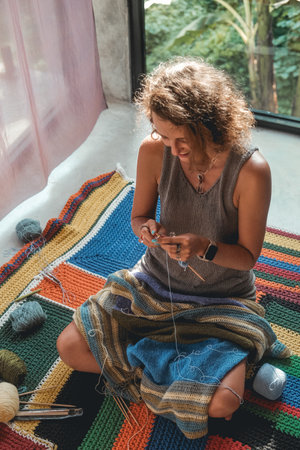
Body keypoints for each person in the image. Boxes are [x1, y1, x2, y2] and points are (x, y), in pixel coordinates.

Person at [57, 58, 289, 439]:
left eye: (183, 139)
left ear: (212, 126)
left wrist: (205, 248)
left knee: (225, 402)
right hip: (153, 284)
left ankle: (163, 370)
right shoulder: (154, 151)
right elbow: (139, 217)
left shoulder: (251, 171)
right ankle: (182, 382)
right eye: (164, 137)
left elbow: (248, 257)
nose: (173, 149)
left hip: (222, 300)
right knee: (69, 347)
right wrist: (146, 230)